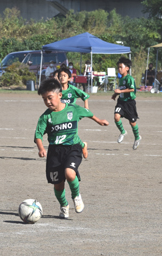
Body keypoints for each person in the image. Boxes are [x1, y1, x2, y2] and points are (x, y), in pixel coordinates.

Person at [34, 78, 108, 218]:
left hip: (72, 147)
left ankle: (76, 196)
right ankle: (64, 205)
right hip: (55, 152)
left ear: (60, 95)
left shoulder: (73, 109)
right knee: (58, 184)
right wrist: (41, 147)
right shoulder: (45, 117)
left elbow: (87, 113)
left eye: (50, 98)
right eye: (44, 99)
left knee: (69, 173)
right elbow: (38, 134)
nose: (47, 102)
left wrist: (99, 121)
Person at [59, 67, 90, 158]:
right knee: (63, 134)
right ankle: (83, 145)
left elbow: (85, 96)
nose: (62, 77)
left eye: (64, 76)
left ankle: (79, 148)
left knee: (71, 134)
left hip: (71, 115)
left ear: (69, 78)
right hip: (61, 115)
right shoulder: (57, 90)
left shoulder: (72, 89)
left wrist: (86, 107)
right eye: (60, 76)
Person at [112, 57, 141, 149]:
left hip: (129, 103)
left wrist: (120, 92)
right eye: (118, 67)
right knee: (116, 116)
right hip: (121, 102)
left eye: (121, 67)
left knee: (132, 122)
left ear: (127, 68)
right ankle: (123, 132)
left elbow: (132, 89)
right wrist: (115, 94)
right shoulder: (121, 79)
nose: (119, 69)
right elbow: (121, 89)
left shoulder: (129, 78)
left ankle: (137, 137)